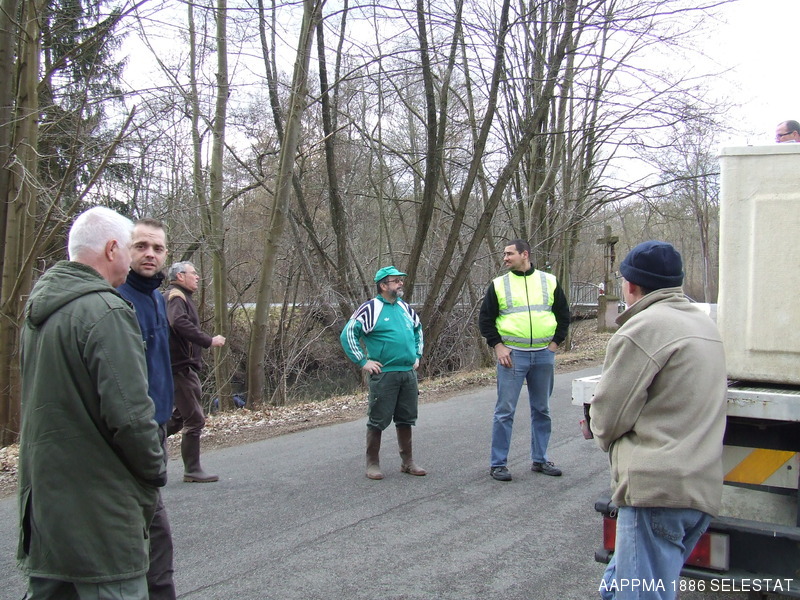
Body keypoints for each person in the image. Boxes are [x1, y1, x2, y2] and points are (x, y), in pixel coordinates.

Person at [17, 206, 166, 600]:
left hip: (45, 512)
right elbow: (131, 418)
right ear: (113, 248)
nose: (133, 259)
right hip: (100, 518)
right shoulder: (106, 311)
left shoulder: (38, 314)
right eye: (130, 247)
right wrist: (154, 471)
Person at [588, 240, 727, 599]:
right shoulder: (705, 325)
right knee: (617, 589)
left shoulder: (643, 328)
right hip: (697, 492)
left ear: (631, 285)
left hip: (655, 494)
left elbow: (607, 418)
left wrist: (598, 430)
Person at [117, 218, 176, 600]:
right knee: (151, 536)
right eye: (141, 246)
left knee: (153, 532)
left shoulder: (157, 297)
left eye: (157, 248)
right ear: (125, 249)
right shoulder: (117, 298)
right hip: (133, 430)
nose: (149, 254)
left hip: (157, 427)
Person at [479, 239, 570, 482]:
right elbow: (485, 320)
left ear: (525, 254)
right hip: (512, 356)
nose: (505, 258)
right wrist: (498, 346)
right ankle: (498, 464)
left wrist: (555, 344)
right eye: (505, 254)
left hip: (543, 355)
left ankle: (540, 459)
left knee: (542, 409)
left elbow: (563, 314)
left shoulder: (549, 281)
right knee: (504, 411)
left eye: (510, 253)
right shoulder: (499, 284)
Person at [340, 266, 426, 480]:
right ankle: (372, 463)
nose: (401, 283)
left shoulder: (405, 307)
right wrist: (363, 361)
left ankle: (407, 462)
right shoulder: (370, 309)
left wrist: (417, 355)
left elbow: (418, 330)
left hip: (407, 373)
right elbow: (348, 334)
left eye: (400, 280)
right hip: (384, 374)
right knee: (377, 419)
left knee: (406, 418)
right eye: (396, 280)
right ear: (383, 285)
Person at [164, 261, 226, 483]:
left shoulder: (180, 296)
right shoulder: (176, 296)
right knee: (195, 419)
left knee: (179, 417)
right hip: (180, 366)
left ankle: (145, 444)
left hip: (181, 365)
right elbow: (178, 322)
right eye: (193, 273)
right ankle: (192, 470)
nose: (198, 277)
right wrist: (208, 340)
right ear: (180, 276)